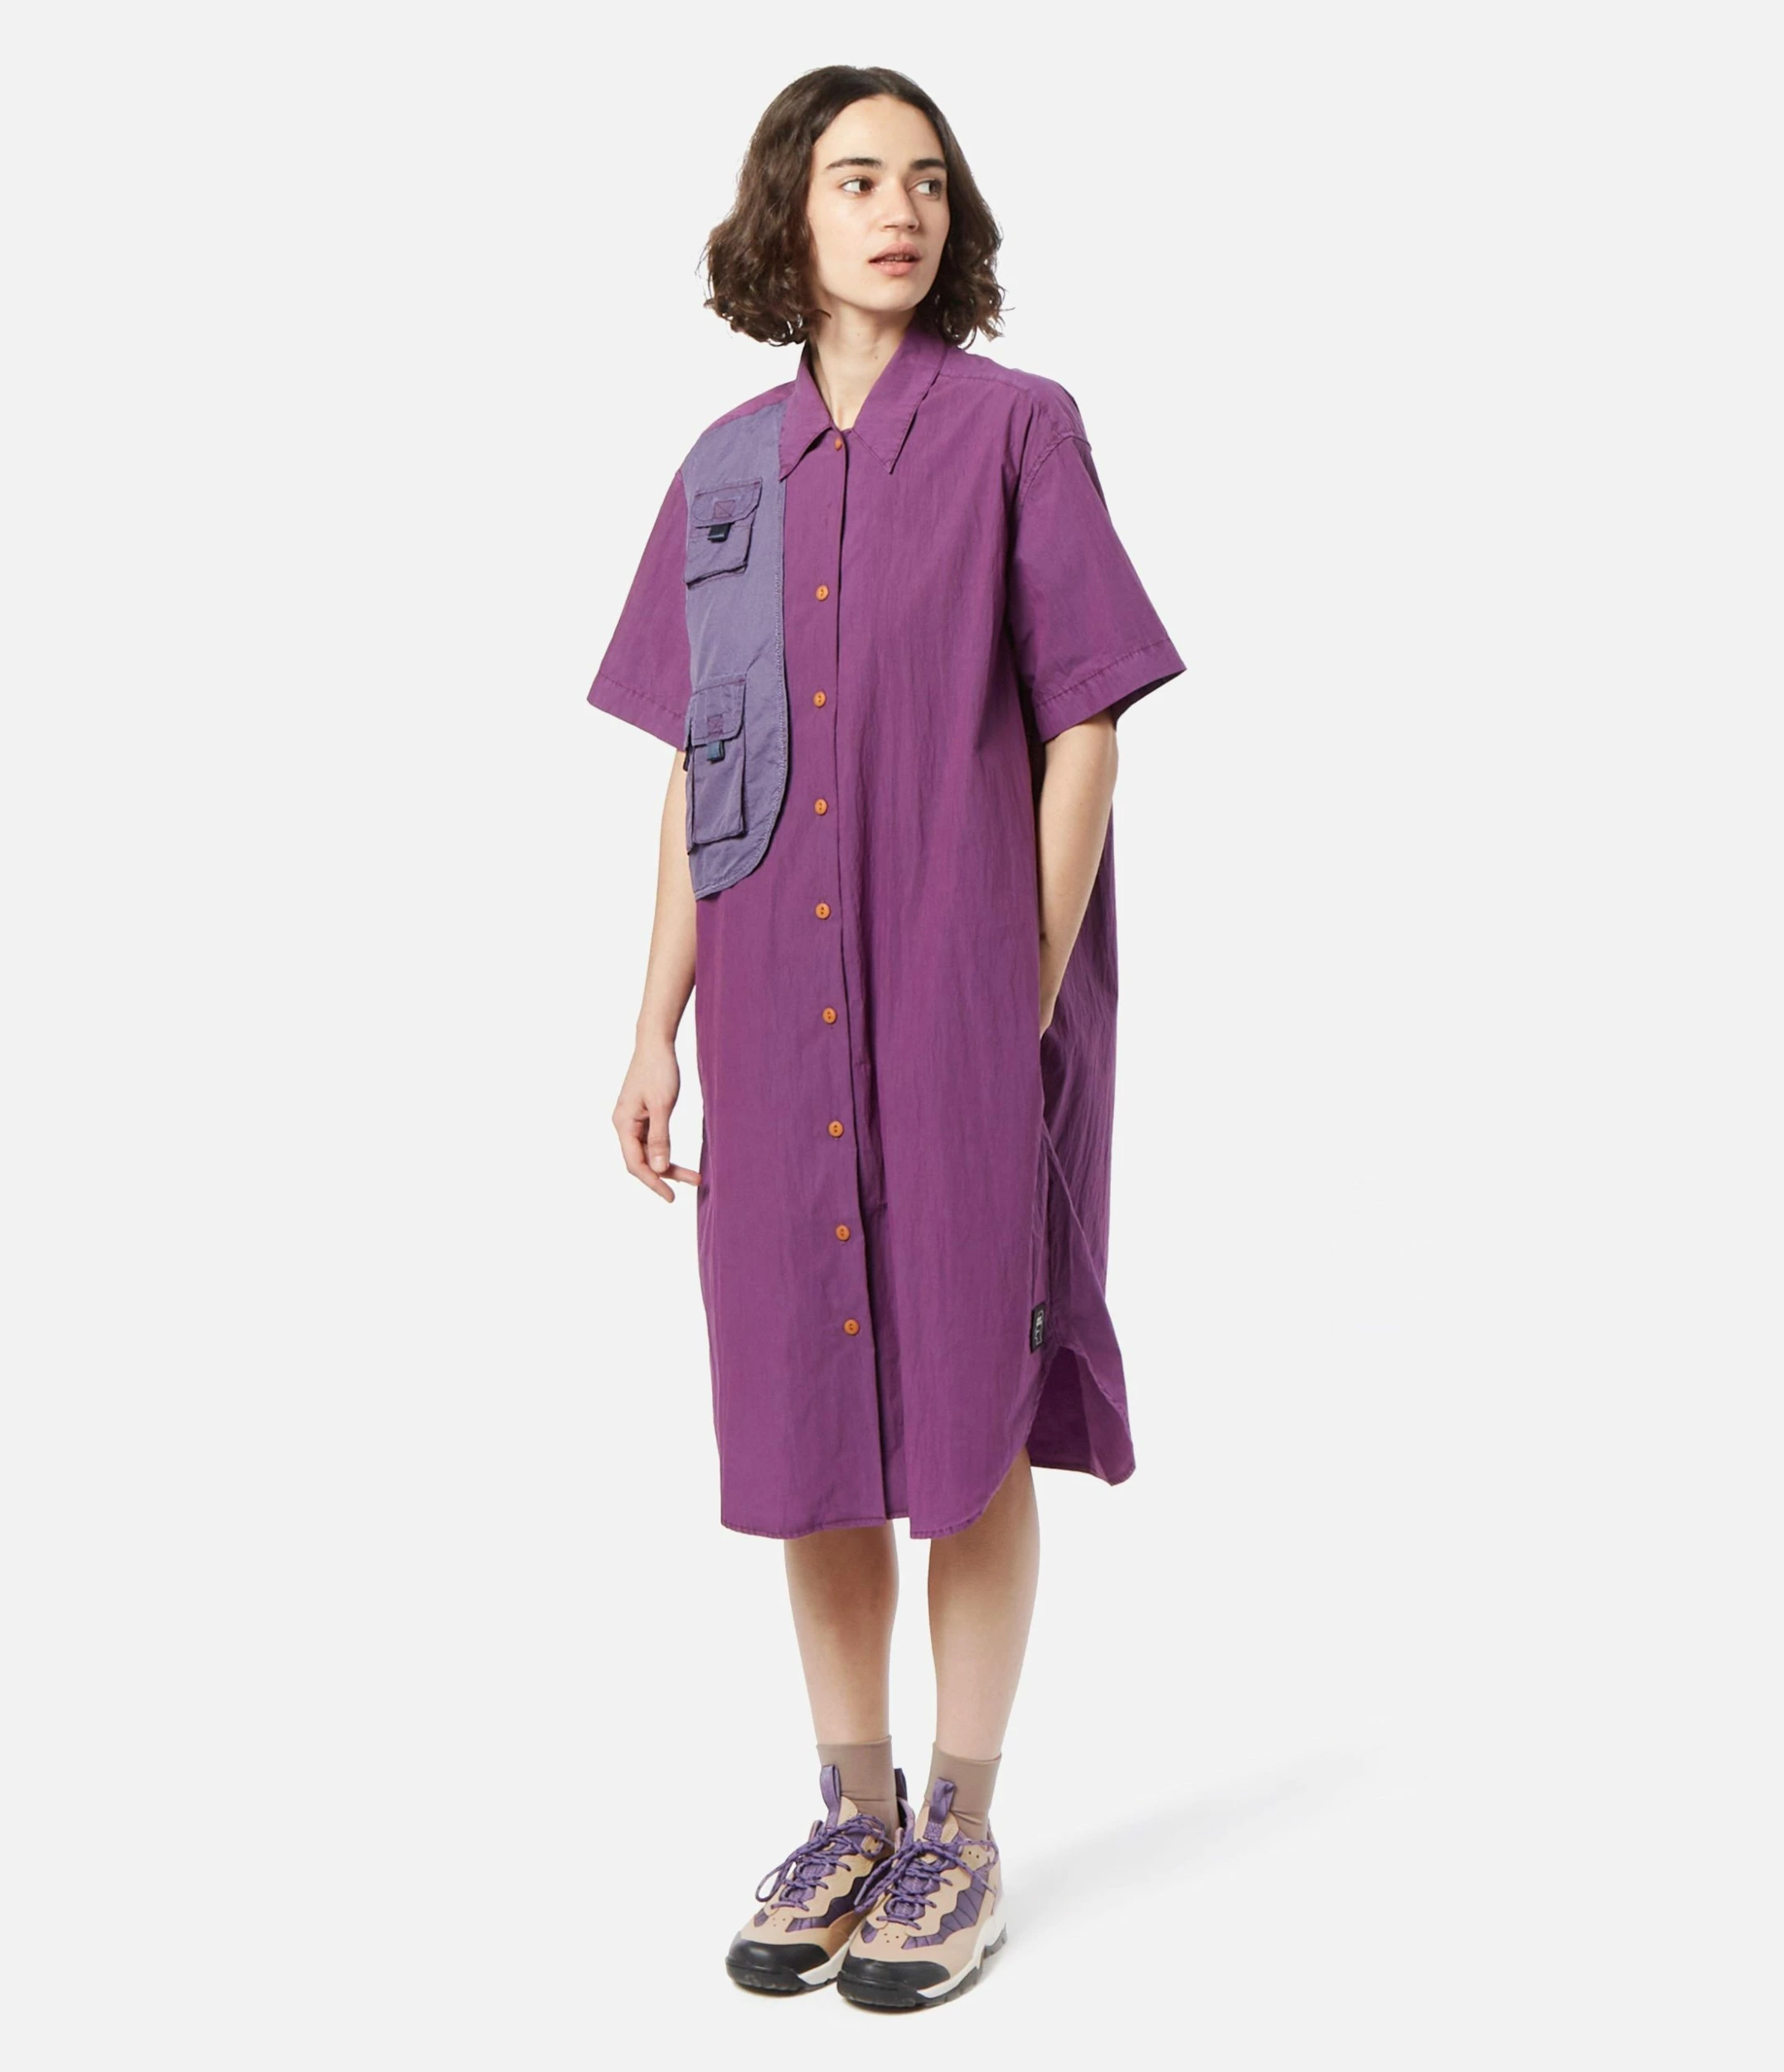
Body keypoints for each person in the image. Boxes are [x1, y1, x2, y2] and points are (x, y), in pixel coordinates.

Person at [585, 65, 1186, 2011]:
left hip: (958, 992)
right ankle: (848, 1811)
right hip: (771, 1009)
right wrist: (653, 1023)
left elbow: (1085, 720)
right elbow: (697, 768)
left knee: (968, 1401)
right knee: (806, 1416)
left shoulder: (1016, 432)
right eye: (856, 178)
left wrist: (1019, 974)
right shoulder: (722, 473)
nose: (898, 210)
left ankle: (959, 1827)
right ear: (792, 211)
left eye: (925, 180)